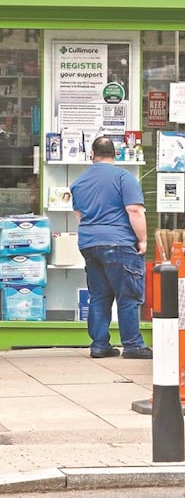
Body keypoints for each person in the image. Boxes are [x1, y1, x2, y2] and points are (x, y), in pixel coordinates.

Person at [70, 135, 151, 360]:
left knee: (99, 295)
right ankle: (133, 345)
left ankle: (99, 345)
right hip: (119, 243)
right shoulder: (124, 177)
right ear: (115, 154)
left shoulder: (78, 182)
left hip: (89, 243)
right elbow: (134, 210)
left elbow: (79, 216)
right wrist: (142, 240)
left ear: (92, 155)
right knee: (128, 295)